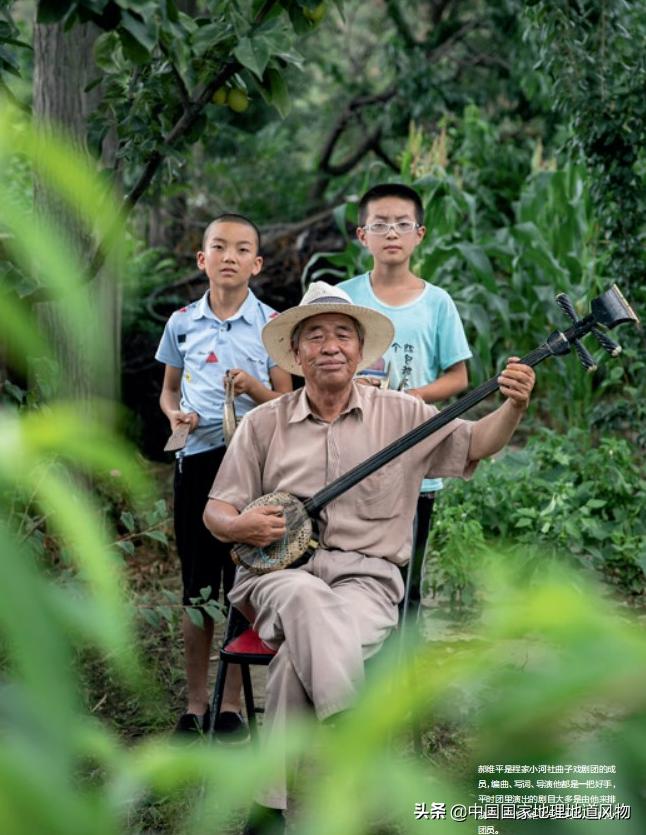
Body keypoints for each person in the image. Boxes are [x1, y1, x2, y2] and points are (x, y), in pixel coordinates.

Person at [203, 281, 535, 833]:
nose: (330, 345)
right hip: (275, 579)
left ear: (360, 350)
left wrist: (514, 407)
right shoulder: (264, 424)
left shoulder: (404, 414)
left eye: (342, 334)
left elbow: (476, 442)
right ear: (297, 353)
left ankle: (271, 809)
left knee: (293, 663)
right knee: (304, 595)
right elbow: (216, 509)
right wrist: (239, 524)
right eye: (315, 336)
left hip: (366, 584)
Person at [155, 213, 292, 738]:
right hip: (198, 461)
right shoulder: (182, 321)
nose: (229, 256)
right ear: (202, 259)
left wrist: (255, 388)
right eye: (219, 247)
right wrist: (175, 416)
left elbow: (287, 401)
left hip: (253, 470)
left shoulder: (272, 326)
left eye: (241, 249)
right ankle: (194, 706)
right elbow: (170, 391)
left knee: (244, 582)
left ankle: (231, 706)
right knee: (197, 586)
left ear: (256, 264)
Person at [338, 182, 472, 582]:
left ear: (420, 234)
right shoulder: (344, 298)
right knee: (352, 568)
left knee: (408, 576)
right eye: (380, 225)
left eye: (402, 223)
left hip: (416, 452)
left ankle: (408, 643)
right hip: (353, 452)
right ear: (362, 236)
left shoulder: (437, 303)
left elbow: (458, 378)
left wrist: (412, 396)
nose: (392, 233)